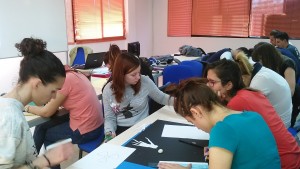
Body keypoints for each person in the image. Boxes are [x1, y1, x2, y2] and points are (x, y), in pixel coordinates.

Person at [158, 78, 280, 169]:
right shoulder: (254, 116)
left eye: (192, 122)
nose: (197, 127)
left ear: (196, 112)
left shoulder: (222, 130)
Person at [204, 59, 300, 169]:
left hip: (281, 162)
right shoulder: (249, 93)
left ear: (228, 85)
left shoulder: (236, 103)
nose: (208, 86)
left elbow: (217, 132)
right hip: (291, 153)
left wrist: (216, 104)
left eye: (212, 82)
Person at [0, 37, 74, 169]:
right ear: (38, 84)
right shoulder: (10, 118)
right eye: (53, 91)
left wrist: (43, 161)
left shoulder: (11, 108)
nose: (54, 96)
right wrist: (45, 160)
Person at [27, 66, 104, 162]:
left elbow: (46, 112)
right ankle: (32, 161)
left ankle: (31, 162)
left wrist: (27, 108)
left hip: (87, 131)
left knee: (46, 134)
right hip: (98, 125)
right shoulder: (76, 74)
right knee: (42, 126)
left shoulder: (64, 81)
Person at [103, 52, 172, 142]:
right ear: (121, 74)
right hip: (122, 131)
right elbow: (110, 118)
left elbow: (162, 98)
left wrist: (184, 103)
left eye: (139, 73)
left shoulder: (145, 81)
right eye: (133, 74)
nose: (138, 77)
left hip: (143, 127)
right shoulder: (108, 90)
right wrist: (109, 133)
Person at [233, 54, 293, 128]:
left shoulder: (258, 83)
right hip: (284, 118)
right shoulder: (261, 71)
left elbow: (246, 112)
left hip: (281, 125)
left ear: (243, 78)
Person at [252, 42, 300, 128]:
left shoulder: (287, 63)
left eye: (260, 59)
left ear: (266, 57)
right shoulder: (269, 65)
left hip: (291, 100)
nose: (260, 62)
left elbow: (290, 91)